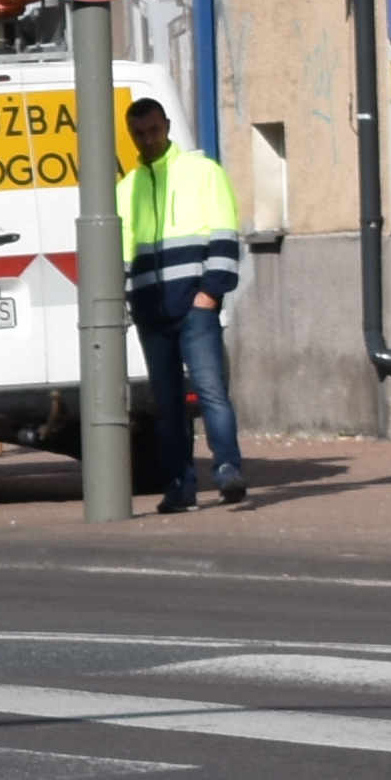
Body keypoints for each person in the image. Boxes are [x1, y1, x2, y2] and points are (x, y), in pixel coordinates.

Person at [119, 97, 248, 513]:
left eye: (154, 130)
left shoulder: (203, 173)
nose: (148, 140)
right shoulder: (127, 188)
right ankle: (179, 487)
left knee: (211, 391)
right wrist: (128, 299)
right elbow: (120, 255)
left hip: (196, 304)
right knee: (167, 405)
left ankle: (228, 468)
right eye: (139, 133)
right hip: (151, 309)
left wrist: (211, 293)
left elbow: (225, 236)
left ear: (168, 126)